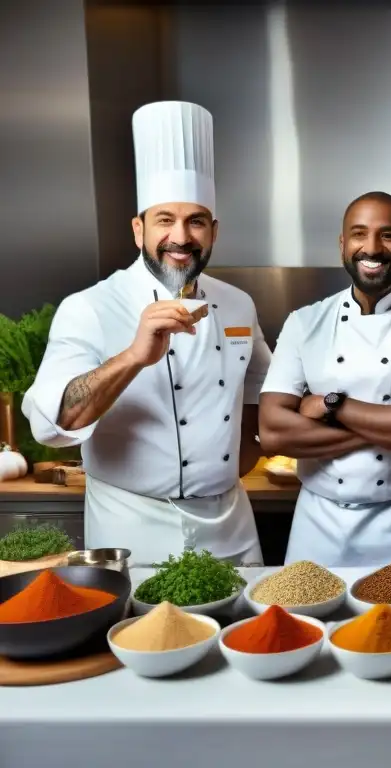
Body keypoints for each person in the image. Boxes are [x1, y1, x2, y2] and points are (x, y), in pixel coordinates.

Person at [22, 101, 270, 565]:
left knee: (245, 636)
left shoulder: (238, 303)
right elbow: (52, 424)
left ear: (213, 231)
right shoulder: (90, 308)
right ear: (138, 230)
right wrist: (134, 356)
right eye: (164, 220)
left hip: (230, 526)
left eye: (195, 220)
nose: (181, 237)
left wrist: (228, 468)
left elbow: (262, 393)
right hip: (133, 527)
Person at [258, 191, 391, 566]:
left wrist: (329, 405)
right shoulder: (304, 322)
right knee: (311, 624)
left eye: (387, 235)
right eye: (359, 234)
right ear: (343, 244)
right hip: (319, 523)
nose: (371, 247)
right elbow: (274, 432)